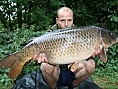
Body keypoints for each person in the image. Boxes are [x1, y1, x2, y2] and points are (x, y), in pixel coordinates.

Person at [33, 7, 101, 89]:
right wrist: (41, 58)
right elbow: (41, 57)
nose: (66, 24)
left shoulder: (81, 33)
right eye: (62, 20)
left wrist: (92, 53)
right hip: (56, 72)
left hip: (74, 71)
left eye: (69, 20)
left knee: (91, 64)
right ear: (57, 20)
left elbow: (86, 55)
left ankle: (74, 85)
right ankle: (54, 87)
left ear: (73, 19)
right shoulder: (49, 35)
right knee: (45, 66)